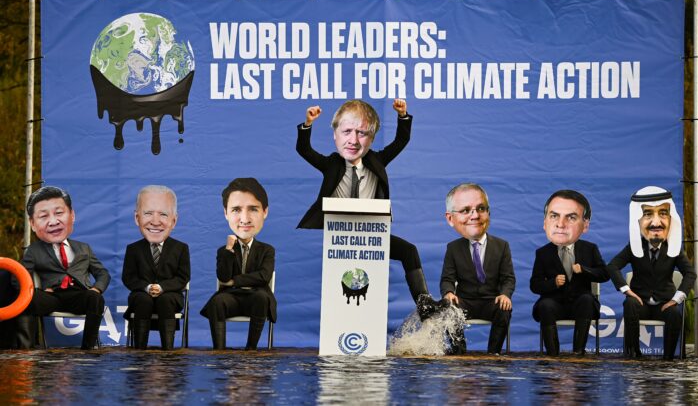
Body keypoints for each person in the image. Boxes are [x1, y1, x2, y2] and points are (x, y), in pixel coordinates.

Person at [297, 99, 439, 319]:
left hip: (372, 236)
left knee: (408, 251)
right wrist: (308, 123)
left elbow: (402, 140)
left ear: (371, 139)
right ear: (335, 135)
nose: (353, 140)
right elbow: (304, 149)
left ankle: (425, 305)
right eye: (347, 132)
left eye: (362, 133)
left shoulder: (377, 160)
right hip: (342, 238)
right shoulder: (331, 164)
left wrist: (402, 115)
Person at [606, 186, 696, 360]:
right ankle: (634, 355)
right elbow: (612, 266)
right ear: (637, 221)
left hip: (664, 304)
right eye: (647, 214)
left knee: (675, 314)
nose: (656, 223)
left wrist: (676, 299)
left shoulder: (675, 249)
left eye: (663, 213)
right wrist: (627, 291)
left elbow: (690, 273)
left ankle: (668, 359)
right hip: (641, 304)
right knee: (629, 304)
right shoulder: (634, 246)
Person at [15, 186, 111, 349]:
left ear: (72, 215)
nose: (53, 221)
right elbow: (19, 279)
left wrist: (97, 289)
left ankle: (88, 350)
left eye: (59, 213)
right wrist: (35, 292)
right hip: (52, 297)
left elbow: (103, 273)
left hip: (79, 295)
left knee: (95, 299)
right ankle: (26, 349)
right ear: (32, 223)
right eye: (44, 216)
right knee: (27, 300)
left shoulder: (84, 248)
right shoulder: (34, 250)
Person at [529, 190, 609, 356]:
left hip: (580, 305)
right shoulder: (542, 253)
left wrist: (584, 270)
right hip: (555, 304)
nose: (560, 224)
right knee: (545, 305)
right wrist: (553, 283)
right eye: (554, 216)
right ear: (545, 223)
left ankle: (578, 352)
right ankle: (552, 354)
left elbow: (604, 274)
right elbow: (535, 285)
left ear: (585, 225)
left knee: (587, 299)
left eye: (571, 217)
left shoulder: (590, 249)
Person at [201, 178, 276, 350]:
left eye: (253, 209)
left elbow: (263, 277)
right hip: (232, 298)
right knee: (217, 301)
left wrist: (235, 281)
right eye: (236, 210)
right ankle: (219, 350)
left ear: (265, 212)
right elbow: (223, 277)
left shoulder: (267, 250)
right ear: (226, 213)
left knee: (262, 298)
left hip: (255, 298)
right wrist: (229, 249)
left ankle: (251, 350)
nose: (244, 218)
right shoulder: (224, 250)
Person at [440, 183, 515, 354]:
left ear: (489, 213)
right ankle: (460, 354)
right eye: (466, 210)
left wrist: (505, 294)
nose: (475, 215)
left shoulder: (501, 246)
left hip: (491, 301)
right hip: (465, 301)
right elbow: (447, 279)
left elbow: (508, 278)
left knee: (504, 308)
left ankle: (493, 354)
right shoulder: (453, 248)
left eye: (481, 208)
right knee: (449, 310)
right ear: (450, 218)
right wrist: (449, 292)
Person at [122, 185, 190, 350]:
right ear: (137, 218)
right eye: (148, 213)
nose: (155, 221)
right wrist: (147, 287)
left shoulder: (181, 248)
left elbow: (183, 277)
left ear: (173, 221)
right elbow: (128, 278)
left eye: (163, 214)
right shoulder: (133, 249)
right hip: (141, 294)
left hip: (170, 294)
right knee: (143, 300)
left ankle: (168, 349)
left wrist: (162, 287)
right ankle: (139, 349)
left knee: (165, 300)